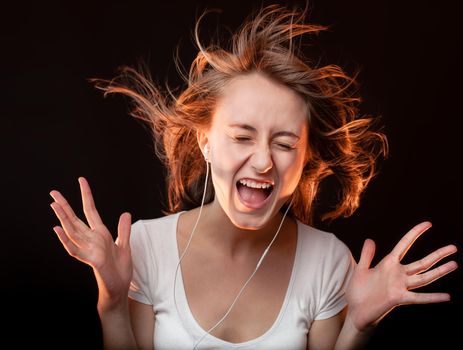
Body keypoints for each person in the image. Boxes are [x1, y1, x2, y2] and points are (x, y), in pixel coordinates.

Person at [49, 4, 458, 350]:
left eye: (284, 143)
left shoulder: (328, 262)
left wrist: (358, 326)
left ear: (306, 159)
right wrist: (112, 302)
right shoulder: (143, 247)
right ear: (206, 141)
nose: (263, 161)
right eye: (242, 136)